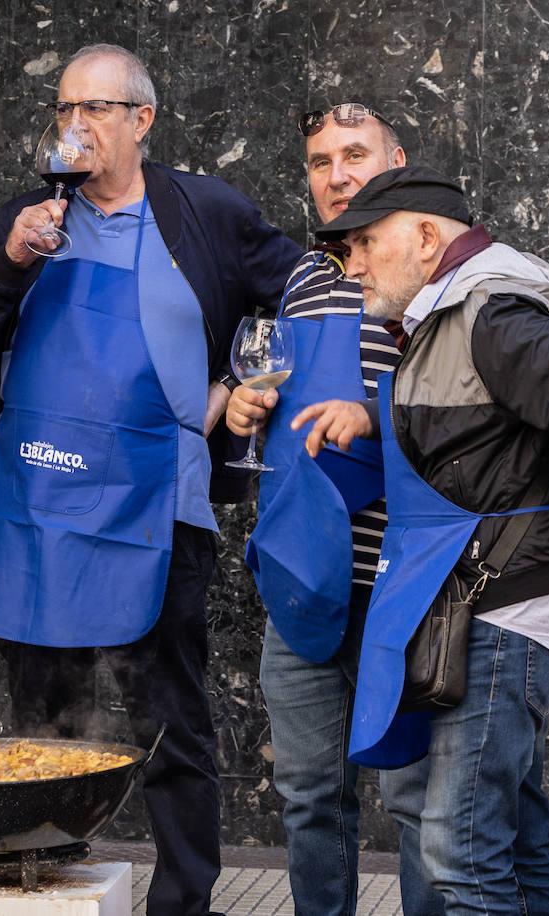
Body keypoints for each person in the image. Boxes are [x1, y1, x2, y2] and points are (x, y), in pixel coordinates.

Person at [0, 43, 303, 916]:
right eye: (65, 109)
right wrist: (9, 264)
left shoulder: (203, 212)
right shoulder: (31, 219)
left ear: (142, 120)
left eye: (94, 109)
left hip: (156, 509)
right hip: (39, 506)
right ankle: (43, 886)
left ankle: (182, 903)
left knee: (168, 723)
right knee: (41, 728)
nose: (75, 126)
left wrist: (238, 386)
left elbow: (308, 289)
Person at [293, 165, 549, 914]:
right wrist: (373, 415)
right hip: (490, 612)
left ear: (426, 238)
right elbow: (482, 437)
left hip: (504, 617)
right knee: (516, 850)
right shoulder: (450, 317)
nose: (352, 263)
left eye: (365, 242)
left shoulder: (488, 312)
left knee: (457, 851)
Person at [225, 104, 440, 916]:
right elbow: (284, 396)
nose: (338, 173)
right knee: (311, 796)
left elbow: (468, 408)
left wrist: (378, 418)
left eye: (356, 154)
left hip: (408, 587)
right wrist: (249, 405)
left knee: (419, 803)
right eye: (321, 161)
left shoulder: (430, 271)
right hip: (306, 580)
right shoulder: (307, 277)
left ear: (396, 159)